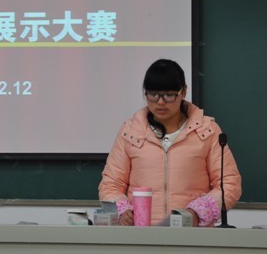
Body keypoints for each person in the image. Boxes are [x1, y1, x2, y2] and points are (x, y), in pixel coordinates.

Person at [98, 59, 242, 226]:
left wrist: (197, 213)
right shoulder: (130, 132)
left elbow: (229, 184)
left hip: (191, 234)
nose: (160, 102)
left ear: (183, 91)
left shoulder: (207, 131)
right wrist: (122, 211)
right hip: (141, 234)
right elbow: (110, 185)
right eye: (153, 94)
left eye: (169, 95)